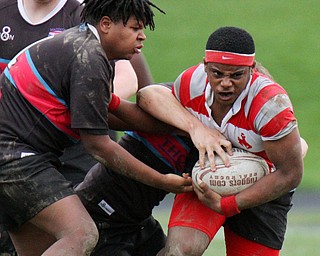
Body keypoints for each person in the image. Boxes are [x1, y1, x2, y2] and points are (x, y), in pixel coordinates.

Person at [0, 0, 195, 255]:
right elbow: (99, 146)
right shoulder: (89, 57)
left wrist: (187, 126)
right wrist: (161, 181)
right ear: (105, 24)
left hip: (14, 157)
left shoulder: (84, 47)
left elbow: (113, 112)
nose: (142, 36)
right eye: (135, 28)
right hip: (16, 159)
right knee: (82, 233)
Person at [137, 26, 305, 255]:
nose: (226, 83)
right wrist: (195, 128)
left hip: (264, 189)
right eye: (217, 73)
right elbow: (148, 95)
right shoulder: (192, 82)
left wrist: (228, 205)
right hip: (208, 179)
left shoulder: (270, 106)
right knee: (178, 252)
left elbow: (290, 174)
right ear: (205, 67)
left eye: (236, 75)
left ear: (251, 70)